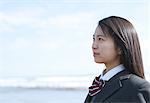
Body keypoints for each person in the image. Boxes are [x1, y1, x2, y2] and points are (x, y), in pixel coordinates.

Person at [84, 16, 150, 103]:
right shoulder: (99, 84)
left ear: (120, 47)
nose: (94, 45)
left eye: (100, 39)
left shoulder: (137, 87)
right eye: (94, 39)